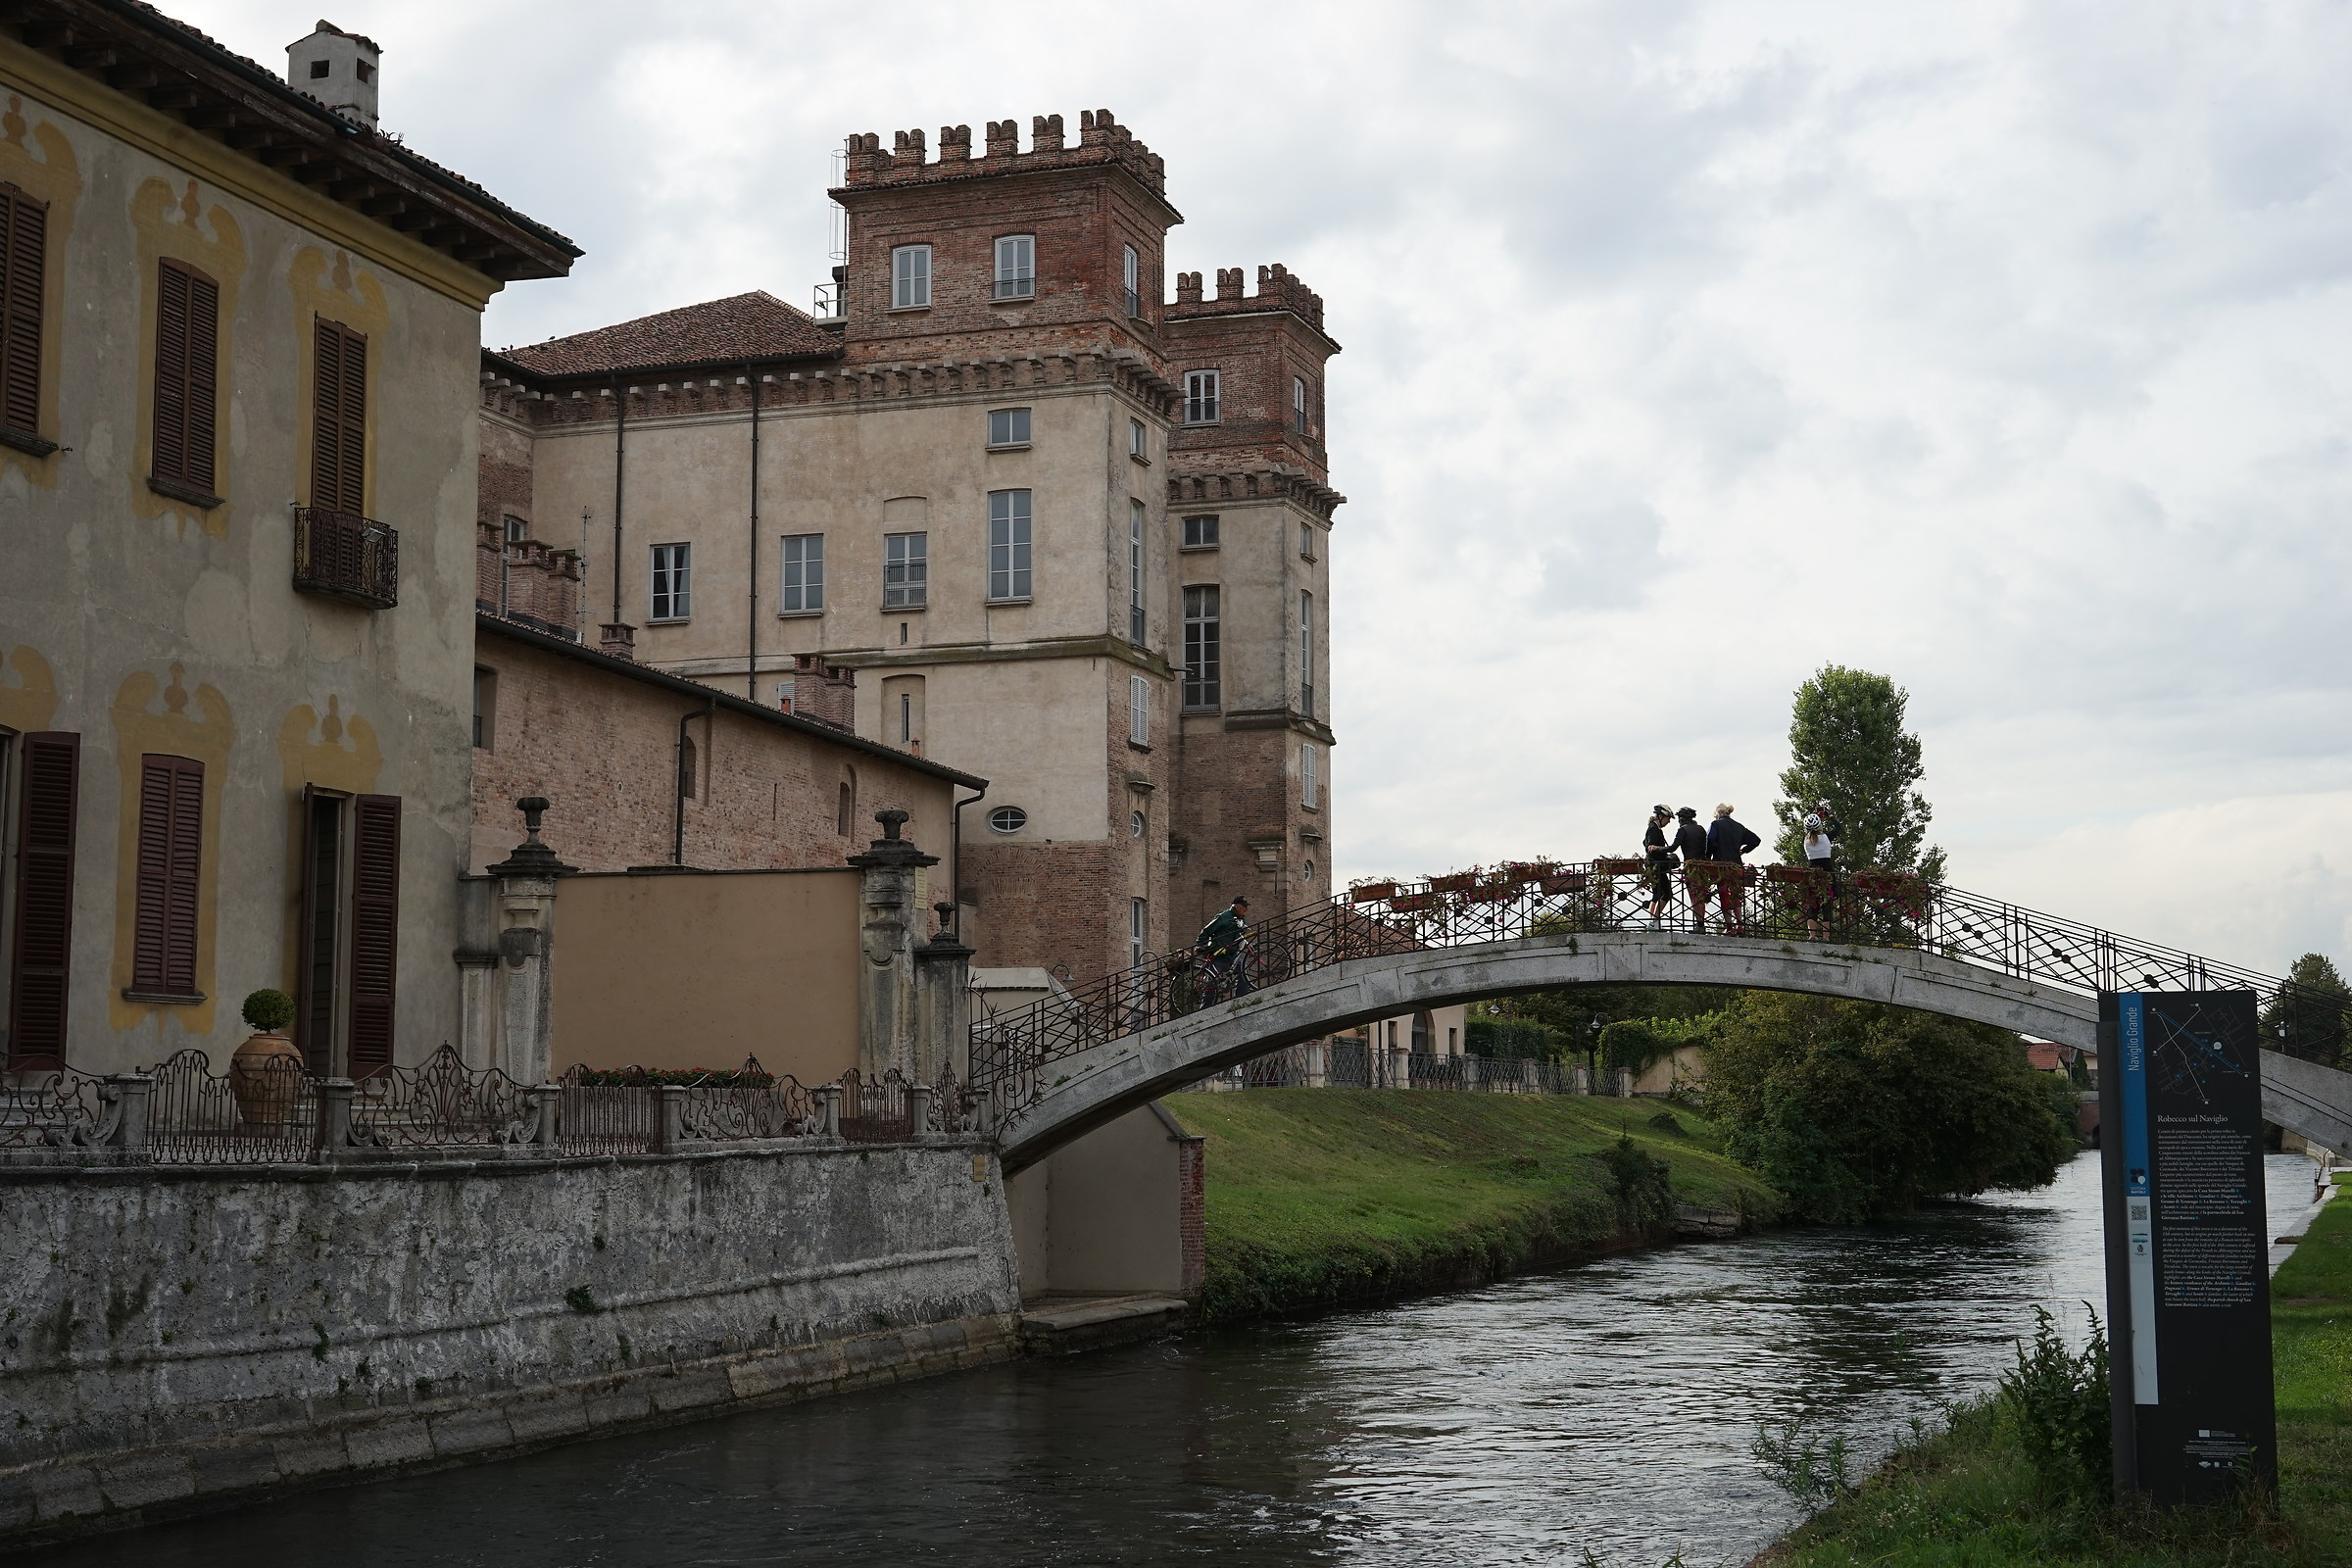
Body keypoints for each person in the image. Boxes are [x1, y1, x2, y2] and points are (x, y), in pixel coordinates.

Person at [1705, 803, 1762, 933]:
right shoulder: (1739, 826)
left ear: (1717, 813)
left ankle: (1729, 927)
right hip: (1737, 865)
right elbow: (1756, 840)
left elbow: (1710, 840)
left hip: (1721, 865)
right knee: (1736, 894)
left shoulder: (1716, 824)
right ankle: (1740, 926)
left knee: (1724, 894)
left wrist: (1709, 856)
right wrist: (1743, 850)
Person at [1195, 896, 1251, 998]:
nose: (1246, 909)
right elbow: (1207, 931)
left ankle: (1242, 998)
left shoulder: (1241, 919)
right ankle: (1206, 1008)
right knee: (1212, 982)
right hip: (1219, 954)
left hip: (1232, 954)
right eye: (1244, 906)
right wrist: (1201, 946)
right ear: (1237, 906)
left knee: (1244, 971)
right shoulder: (1223, 917)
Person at [1671, 808, 1711, 932]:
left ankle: (1700, 925)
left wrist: (1657, 848)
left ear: (1682, 819)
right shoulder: (1701, 829)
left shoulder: (1682, 830)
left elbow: (1673, 847)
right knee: (1701, 896)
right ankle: (1701, 923)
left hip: (1690, 866)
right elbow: (1707, 847)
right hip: (1703, 866)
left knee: (1694, 896)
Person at [1801, 811, 1837, 939]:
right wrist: (1830, 816)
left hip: (1812, 875)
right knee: (1827, 907)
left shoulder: (1806, 841)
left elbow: (1812, 834)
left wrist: (1814, 815)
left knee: (1812, 905)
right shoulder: (1827, 838)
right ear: (1820, 826)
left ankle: (1812, 935)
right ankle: (1826, 937)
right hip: (1827, 874)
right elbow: (1838, 828)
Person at [1642, 807, 1676, 925]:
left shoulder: (1653, 828)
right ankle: (1654, 921)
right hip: (1656, 866)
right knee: (1666, 894)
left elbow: (1644, 843)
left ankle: (1652, 922)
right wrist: (1664, 852)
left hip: (1652, 866)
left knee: (1656, 894)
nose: (1669, 821)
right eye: (1668, 818)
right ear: (1661, 816)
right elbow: (1651, 847)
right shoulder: (1653, 829)